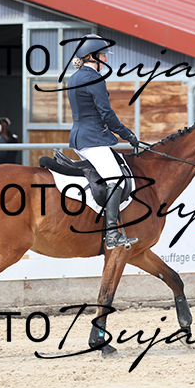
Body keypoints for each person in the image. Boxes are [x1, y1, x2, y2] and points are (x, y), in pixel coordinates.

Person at [67, 34, 139, 250]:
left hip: (79, 138)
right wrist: (127, 134)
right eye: (103, 56)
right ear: (92, 56)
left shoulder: (75, 77)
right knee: (117, 180)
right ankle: (112, 234)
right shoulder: (94, 79)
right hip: (92, 140)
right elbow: (106, 114)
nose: (106, 60)